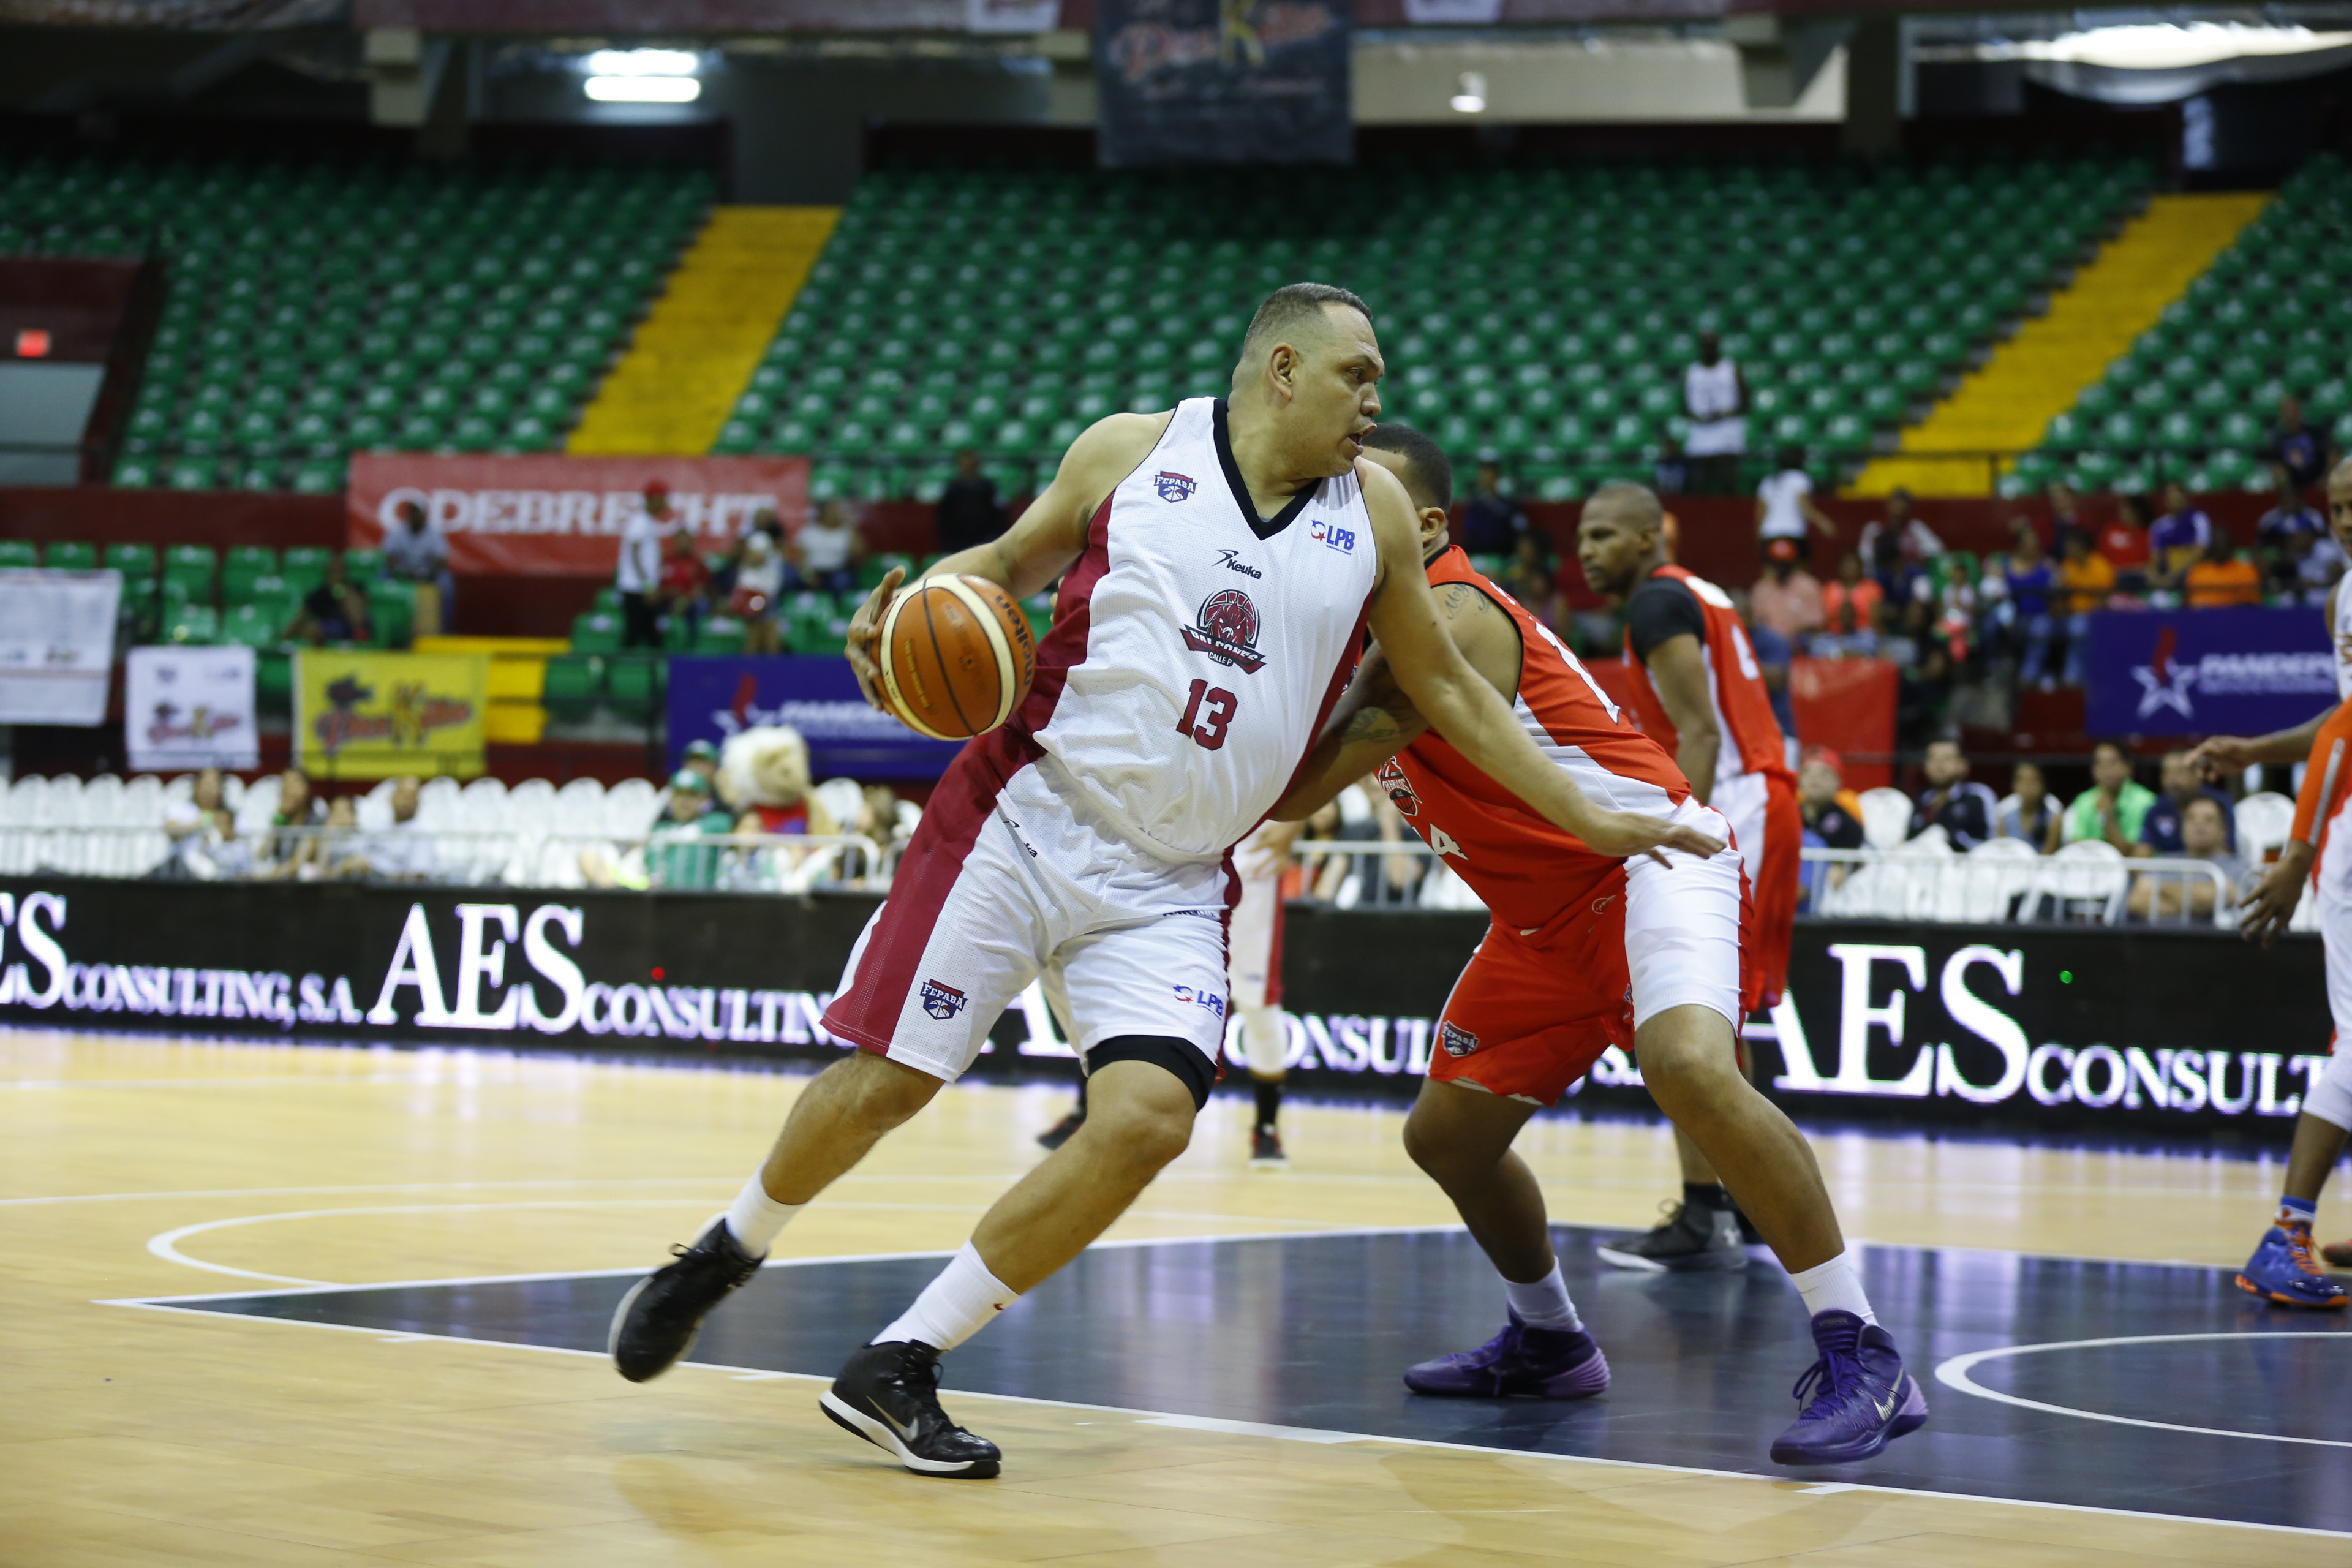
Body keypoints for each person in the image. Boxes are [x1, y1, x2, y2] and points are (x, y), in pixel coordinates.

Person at [605, 284, 1730, 1479]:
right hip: (1024, 815)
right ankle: (727, 1249)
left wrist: (1587, 811)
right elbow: (1005, 563)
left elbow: (1447, 686)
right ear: (1284, 369)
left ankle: (902, 1359)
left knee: (1148, 1117)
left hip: (1175, 878)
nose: (1375, 399)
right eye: (1356, 374)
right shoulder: (1132, 451)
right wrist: (904, 617)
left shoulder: (1376, 514)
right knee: (894, 1079)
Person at [1277, 423, 1924, 1465]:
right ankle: (1549, 1339)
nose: (1332, 512)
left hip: (1647, 867)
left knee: (1689, 1067)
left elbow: (1299, 785)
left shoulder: (1450, 615)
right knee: (1446, 1139)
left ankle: (1866, 1352)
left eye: (1359, 495)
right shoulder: (1360, 626)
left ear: (1426, 525)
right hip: (1540, 926)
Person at [1580, 478, 1803, 1270]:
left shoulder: (1655, 605)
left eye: (1604, 535)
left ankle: (1709, 1214)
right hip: (1761, 803)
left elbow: (1700, 732)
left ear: (1650, 536)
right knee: (1715, 1022)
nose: (1586, 552)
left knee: (1677, 1013)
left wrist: (1675, 840)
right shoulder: (1698, 593)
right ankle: (1741, 1202)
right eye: (1582, 538)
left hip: (1735, 807)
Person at [2195, 458, 2352, 1300]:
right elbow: (2347, 730)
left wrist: (2257, 749)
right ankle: (2286, 1233)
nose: (2346, 520)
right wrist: (2297, 852)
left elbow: (2338, 721)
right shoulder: (2345, 597)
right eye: (2336, 507)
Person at [2126, 795, 2246, 922]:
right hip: (2163, 934)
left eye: (2209, 820)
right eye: (2191, 818)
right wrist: (2199, 906)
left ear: (2223, 830)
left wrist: (2159, 887)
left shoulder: (2237, 866)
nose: (2199, 825)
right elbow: (2136, 902)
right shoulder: (2163, 862)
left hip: (2213, 935)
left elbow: (2216, 897)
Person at [1984, 517, 2056, 687]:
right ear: (2020, 546)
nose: (2032, 548)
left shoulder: (2048, 565)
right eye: (2028, 544)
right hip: (2015, 616)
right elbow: (1989, 571)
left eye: (2035, 544)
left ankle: (2028, 677)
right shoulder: (2006, 564)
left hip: (2040, 615)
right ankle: (1995, 669)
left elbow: (2058, 588)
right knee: (1990, 625)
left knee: (2040, 630)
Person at [2136, 747, 2237, 859]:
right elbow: (2143, 852)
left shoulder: (2219, 804)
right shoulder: (2157, 809)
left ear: (2197, 773)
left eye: (2179, 772)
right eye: (2167, 772)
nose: (2172, 780)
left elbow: (2229, 851)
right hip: (2171, 867)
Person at [1681, 330, 1748, 496]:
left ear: (1718, 346)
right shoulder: (1692, 371)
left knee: (1728, 482)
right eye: (1706, 345)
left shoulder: (1731, 368)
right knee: (1699, 484)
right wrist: (1699, 418)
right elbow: (1684, 406)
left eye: (1712, 345)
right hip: (1700, 433)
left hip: (1727, 432)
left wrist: (1725, 414)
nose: (1709, 348)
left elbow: (1746, 401)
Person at [2062, 739, 2155, 850]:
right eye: (2100, 764)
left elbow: (2131, 853)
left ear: (2128, 767)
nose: (2106, 770)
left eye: (2112, 763)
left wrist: (2107, 817)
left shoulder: (2145, 802)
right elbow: (2076, 847)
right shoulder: (2084, 801)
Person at [1796, 751, 1863, 907]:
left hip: (1826, 900)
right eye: (1808, 773)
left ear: (1838, 781)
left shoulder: (1848, 823)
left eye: (1824, 774)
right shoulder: (1789, 816)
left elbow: (1841, 871)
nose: (1815, 780)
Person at [647, 770, 733, 889]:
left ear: (704, 799)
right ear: (671, 798)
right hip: (663, 897)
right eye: (679, 794)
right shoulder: (659, 829)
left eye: (692, 795)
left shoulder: (717, 823)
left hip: (704, 897)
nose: (684, 800)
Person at [1907, 738, 1997, 850]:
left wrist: (1953, 838)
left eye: (1947, 759)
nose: (1939, 766)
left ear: (1963, 765)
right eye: (1933, 759)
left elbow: (1990, 844)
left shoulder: (1977, 797)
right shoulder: (1921, 799)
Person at [382, 497, 453, 632]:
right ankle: (383, 627)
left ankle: (444, 628)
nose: (415, 516)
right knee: (381, 579)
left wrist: (426, 570)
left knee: (446, 583)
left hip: (428, 572)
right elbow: (390, 560)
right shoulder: (396, 532)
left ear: (424, 515)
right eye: (412, 513)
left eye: (418, 513)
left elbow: (442, 562)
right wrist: (404, 571)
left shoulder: (434, 533)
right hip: (402, 572)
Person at [2053, 529, 2113, 686]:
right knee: (2041, 627)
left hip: (2093, 617)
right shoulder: (2067, 565)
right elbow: (2060, 593)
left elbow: (2103, 601)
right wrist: (2062, 609)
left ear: (2082, 547)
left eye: (2070, 546)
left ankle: (2073, 677)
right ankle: (2041, 676)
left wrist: (2087, 615)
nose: (2067, 550)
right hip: (2069, 615)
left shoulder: (2100, 565)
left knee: (2078, 628)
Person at [1755, 445, 1836, 559]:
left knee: (1770, 569)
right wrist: (1823, 522)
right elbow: (1804, 507)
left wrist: (1760, 535)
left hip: (1770, 533)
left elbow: (1760, 512)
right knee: (1799, 568)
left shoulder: (1768, 481)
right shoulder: (1800, 478)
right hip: (1793, 532)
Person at [617, 482, 669, 650]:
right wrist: (647, 585)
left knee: (649, 634)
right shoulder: (640, 521)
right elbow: (634, 553)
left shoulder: (648, 522)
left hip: (642, 587)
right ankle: (624, 665)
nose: (665, 503)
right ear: (653, 499)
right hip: (636, 588)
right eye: (662, 499)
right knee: (635, 634)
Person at [1747, 538, 1824, 644]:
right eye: (1777, 563)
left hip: (1801, 641)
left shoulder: (1808, 586)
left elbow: (1815, 624)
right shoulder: (1761, 589)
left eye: (1785, 564)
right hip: (1770, 643)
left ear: (1794, 563)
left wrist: (1789, 638)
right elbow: (1757, 623)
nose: (1781, 568)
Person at [2148, 481, 2214, 604]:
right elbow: (2156, 557)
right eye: (2170, 496)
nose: (2174, 499)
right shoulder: (2159, 525)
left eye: (2177, 495)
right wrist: (2153, 576)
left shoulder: (2199, 519)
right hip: (2167, 574)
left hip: (2193, 573)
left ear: (2186, 498)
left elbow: (2200, 552)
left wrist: (2176, 575)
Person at [285, 553, 371, 646]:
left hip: (350, 628)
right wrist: (285, 635)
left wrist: (344, 593)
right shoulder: (320, 594)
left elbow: (358, 620)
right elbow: (302, 617)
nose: (336, 575)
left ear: (345, 572)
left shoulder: (355, 589)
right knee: (311, 628)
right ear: (327, 573)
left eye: (339, 571)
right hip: (326, 629)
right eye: (333, 571)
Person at [731, 517, 787, 655]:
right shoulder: (762, 539)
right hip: (755, 592)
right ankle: (755, 665)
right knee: (757, 633)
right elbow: (755, 559)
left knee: (765, 633)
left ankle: (759, 665)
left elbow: (754, 560)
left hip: (763, 592)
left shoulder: (766, 542)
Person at [933, 448, 1003, 557]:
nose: (968, 466)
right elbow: (944, 515)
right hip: (956, 539)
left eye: (971, 463)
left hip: (983, 538)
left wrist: (992, 535)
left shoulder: (987, 487)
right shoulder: (952, 488)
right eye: (965, 463)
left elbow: (997, 513)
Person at [790, 498, 864, 598]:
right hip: (813, 571)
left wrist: (852, 527)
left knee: (843, 581)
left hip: (837, 572)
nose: (836, 513)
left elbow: (858, 555)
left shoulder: (847, 532)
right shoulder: (809, 531)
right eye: (832, 510)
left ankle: (840, 607)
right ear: (823, 512)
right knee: (792, 576)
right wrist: (808, 576)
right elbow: (800, 558)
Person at [159, 767, 226, 878]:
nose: (209, 790)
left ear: (221, 789)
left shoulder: (230, 815)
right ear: (196, 786)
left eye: (213, 785)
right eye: (206, 784)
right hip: (180, 870)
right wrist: (199, 824)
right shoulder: (180, 808)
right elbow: (171, 830)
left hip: (219, 871)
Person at [1854, 488, 1942, 571]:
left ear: (1909, 509)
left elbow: (1936, 550)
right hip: (1878, 572)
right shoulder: (1874, 529)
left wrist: (1909, 556)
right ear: (1888, 506)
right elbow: (1864, 556)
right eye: (1895, 505)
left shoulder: (1916, 528)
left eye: (1902, 507)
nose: (1898, 510)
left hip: (1910, 573)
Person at [1815, 549, 1883, 657]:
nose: (1849, 568)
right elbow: (1823, 620)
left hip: (1862, 635)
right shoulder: (1829, 588)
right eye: (1846, 564)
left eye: (1853, 564)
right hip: (1835, 635)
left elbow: (1876, 621)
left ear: (1860, 567)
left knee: (1870, 642)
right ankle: (1840, 655)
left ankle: (1849, 655)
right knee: (1818, 645)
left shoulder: (1871, 588)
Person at [1458, 456, 1526, 557]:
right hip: (1480, 555)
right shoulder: (1474, 505)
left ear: (1498, 476)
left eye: (1490, 473)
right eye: (1484, 474)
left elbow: (1520, 528)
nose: (1487, 478)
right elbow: (1469, 532)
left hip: (1506, 555)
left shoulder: (1511, 503)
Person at [1994, 760, 2061, 854]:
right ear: (2014, 784)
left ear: (2043, 784)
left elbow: (2048, 855)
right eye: (2022, 780)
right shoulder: (2004, 813)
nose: (2028, 786)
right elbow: (2002, 851)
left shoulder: (2053, 815)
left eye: (2033, 780)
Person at [657, 527, 711, 641]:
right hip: (668, 600)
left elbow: (701, 586)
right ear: (675, 542)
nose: (683, 544)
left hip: (689, 601)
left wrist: (685, 599)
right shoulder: (666, 561)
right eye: (680, 541)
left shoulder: (697, 562)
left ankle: (692, 640)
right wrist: (670, 596)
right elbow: (659, 585)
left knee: (700, 604)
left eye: (686, 541)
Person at [2272, 393, 2331, 496]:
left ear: (2299, 412)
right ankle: (2290, 502)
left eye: (2293, 411)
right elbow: (2277, 464)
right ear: (2281, 414)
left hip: (2317, 478)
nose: (2291, 416)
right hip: (2292, 484)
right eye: (2287, 412)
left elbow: (2331, 454)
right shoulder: (2278, 440)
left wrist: (2326, 476)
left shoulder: (2316, 433)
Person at [2096, 491, 2154, 595]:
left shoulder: (2147, 535)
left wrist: (2127, 569)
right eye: (2123, 508)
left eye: (2129, 509)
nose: (2124, 511)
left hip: (2135, 578)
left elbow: (2150, 563)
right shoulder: (2111, 530)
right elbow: (2099, 558)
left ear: (2139, 511)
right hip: (2109, 576)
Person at [2185, 531, 2260, 608]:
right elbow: (2191, 604)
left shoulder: (2246, 570)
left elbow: (2251, 604)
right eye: (2217, 543)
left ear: (2231, 545)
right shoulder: (2198, 571)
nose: (2220, 546)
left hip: (2237, 614)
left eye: (2223, 542)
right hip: (2205, 614)